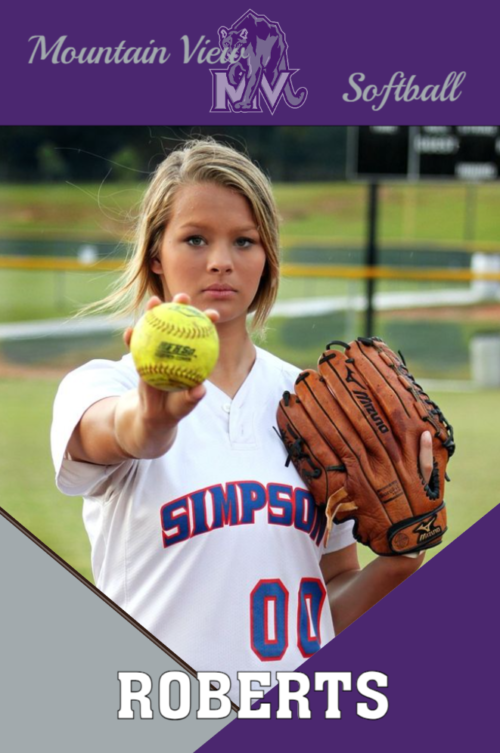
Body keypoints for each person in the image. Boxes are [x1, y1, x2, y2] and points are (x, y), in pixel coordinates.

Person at [51, 138, 431, 705]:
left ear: (267, 257)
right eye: (196, 238)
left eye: (244, 241)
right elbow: (124, 432)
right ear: (156, 254)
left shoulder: (318, 410)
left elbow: (329, 601)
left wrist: (401, 561)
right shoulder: (104, 386)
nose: (221, 259)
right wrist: (153, 418)